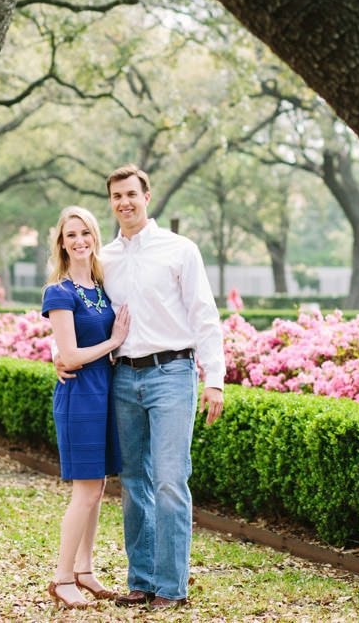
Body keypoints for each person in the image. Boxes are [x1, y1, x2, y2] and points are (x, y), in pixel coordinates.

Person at [55, 165, 225, 611]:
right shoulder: (103, 258)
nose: (124, 202)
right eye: (116, 196)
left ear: (147, 195)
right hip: (123, 378)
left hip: (173, 374)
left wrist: (216, 380)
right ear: (109, 202)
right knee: (133, 482)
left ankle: (171, 587)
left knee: (170, 480)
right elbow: (79, 311)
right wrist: (61, 356)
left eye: (131, 193)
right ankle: (142, 581)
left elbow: (205, 315)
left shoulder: (179, 249)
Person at [42, 205, 130, 610]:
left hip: (105, 392)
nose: (79, 241)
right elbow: (70, 355)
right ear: (61, 242)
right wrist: (113, 343)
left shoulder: (100, 286)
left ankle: (85, 570)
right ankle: (62, 578)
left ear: (95, 237)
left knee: (98, 489)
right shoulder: (59, 291)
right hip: (79, 395)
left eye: (86, 233)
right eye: (71, 235)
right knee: (85, 491)